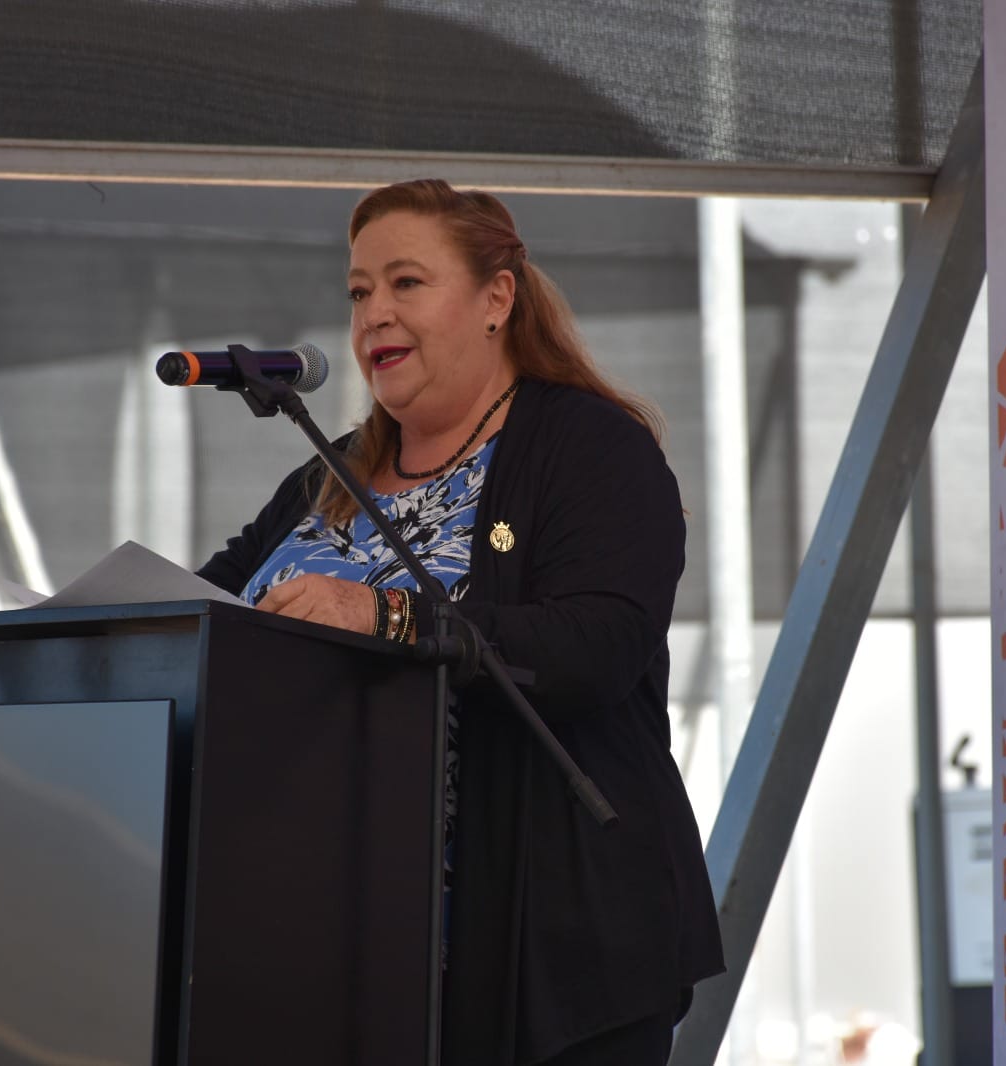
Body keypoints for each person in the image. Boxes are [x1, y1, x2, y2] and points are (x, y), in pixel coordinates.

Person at [198, 178, 724, 1066]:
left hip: (544, 954)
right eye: (360, 291)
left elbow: (598, 645)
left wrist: (384, 614)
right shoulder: (329, 476)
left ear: (496, 298)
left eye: (407, 283)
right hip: (328, 952)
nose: (374, 315)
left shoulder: (592, 448)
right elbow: (210, 615)